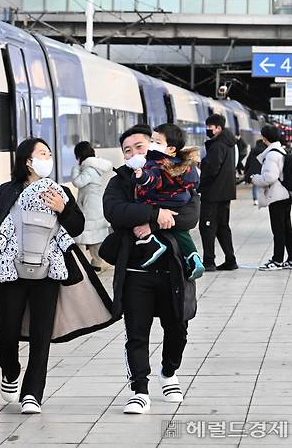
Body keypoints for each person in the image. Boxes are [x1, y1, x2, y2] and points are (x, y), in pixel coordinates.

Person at [0, 138, 116, 415]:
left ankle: (32, 393)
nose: (48, 158)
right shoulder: (5, 192)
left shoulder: (60, 191)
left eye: (49, 153)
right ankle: (10, 371)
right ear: (28, 161)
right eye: (42, 154)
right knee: (7, 330)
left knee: (41, 334)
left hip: (49, 272)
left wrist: (64, 208)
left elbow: (76, 227)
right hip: (10, 272)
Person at [101, 124, 200, 415]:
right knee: (137, 333)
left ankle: (169, 372)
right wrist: (156, 213)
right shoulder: (120, 180)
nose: (134, 153)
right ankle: (139, 390)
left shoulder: (177, 172)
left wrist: (151, 223)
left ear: (155, 148)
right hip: (135, 272)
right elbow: (114, 211)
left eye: (140, 147)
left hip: (173, 269)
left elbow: (190, 215)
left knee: (177, 329)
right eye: (127, 150)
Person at [128, 123, 204, 280]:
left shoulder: (158, 163)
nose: (152, 145)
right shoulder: (180, 165)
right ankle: (193, 257)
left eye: (158, 142)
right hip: (178, 202)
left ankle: (153, 244)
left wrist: (141, 176)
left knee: (138, 214)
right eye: (152, 140)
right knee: (181, 232)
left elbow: (154, 180)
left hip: (160, 201)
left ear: (171, 149)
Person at [198, 114, 238, 271]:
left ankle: (209, 261)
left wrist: (200, 185)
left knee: (207, 226)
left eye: (210, 127)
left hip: (213, 193)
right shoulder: (228, 143)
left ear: (218, 129)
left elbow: (212, 169)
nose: (207, 130)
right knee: (222, 226)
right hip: (225, 192)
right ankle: (230, 259)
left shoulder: (218, 145)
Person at [250, 125, 292, 270]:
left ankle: (277, 260)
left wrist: (256, 179)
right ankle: (290, 259)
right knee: (286, 228)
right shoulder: (281, 151)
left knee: (278, 229)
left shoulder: (272, 155)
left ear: (265, 138)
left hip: (277, 196)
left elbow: (269, 177)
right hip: (286, 194)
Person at [70, 141, 112, 271]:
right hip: (95, 205)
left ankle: (81, 263)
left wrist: (75, 168)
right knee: (96, 236)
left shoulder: (88, 169)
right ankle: (97, 263)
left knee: (81, 236)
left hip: (88, 207)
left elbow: (78, 182)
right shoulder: (94, 167)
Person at [245, 138, 267, 206]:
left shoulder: (253, 151)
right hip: (262, 170)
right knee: (264, 185)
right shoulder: (265, 151)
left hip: (254, 171)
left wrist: (246, 170)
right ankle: (264, 199)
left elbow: (248, 161)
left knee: (255, 186)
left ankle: (255, 200)